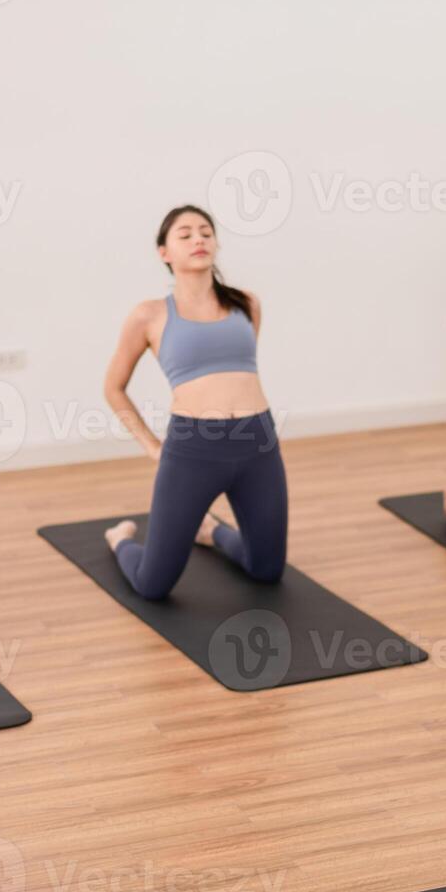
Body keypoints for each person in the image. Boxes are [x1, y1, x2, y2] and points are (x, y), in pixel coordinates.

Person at [101, 205, 286, 600]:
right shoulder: (148, 315)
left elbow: (240, 372)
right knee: (153, 586)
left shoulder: (246, 304)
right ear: (164, 252)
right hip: (194, 449)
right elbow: (113, 387)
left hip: (258, 443)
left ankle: (212, 531)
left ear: (216, 244)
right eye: (184, 235)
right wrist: (152, 446)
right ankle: (119, 539)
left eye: (205, 232)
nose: (198, 239)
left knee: (267, 570)